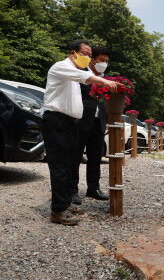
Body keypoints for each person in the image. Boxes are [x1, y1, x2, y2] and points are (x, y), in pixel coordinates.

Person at [42, 40, 120, 225]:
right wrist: (104, 81)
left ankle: (65, 202)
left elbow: (88, 76)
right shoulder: (61, 67)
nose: (87, 58)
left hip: (70, 123)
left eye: (89, 55)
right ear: (72, 53)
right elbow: (86, 77)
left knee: (69, 165)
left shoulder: (79, 73)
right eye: (84, 53)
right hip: (56, 120)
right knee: (61, 166)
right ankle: (58, 211)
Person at [71, 46, 111, 205]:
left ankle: (93, 188)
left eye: (106, 61)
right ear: (92, 59)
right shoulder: (81, 73)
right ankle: (72, 190)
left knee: (96, 157)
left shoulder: (106, 79)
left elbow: (106, 103)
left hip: (98, 123)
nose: (104, 64)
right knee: (74, 157)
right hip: (80, 120)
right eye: (101, 60)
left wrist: (106, 121)